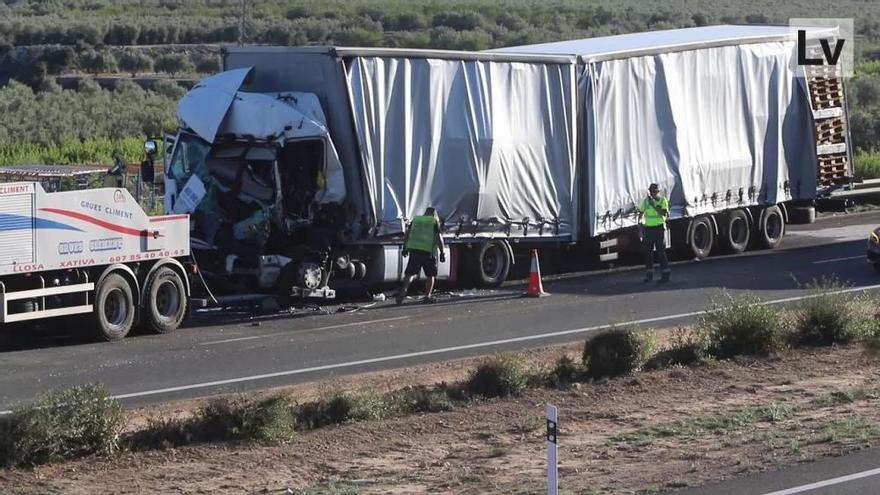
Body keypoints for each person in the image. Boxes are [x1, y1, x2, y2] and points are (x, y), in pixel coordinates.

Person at [396, 207, 446, 304]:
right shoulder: (434, 221)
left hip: (414, 251)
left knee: (410, 273)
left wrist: (405, 247)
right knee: (430, 275)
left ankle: (403, 291)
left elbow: (407, 234)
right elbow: (439, 238)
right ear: (434, 214)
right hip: (428, 252)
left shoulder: (416, 220)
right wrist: (442, 252)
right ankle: (427, 296)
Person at [638, 183, 670, 283]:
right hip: (648, 229)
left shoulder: (662, 200)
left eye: (655, 192)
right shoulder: (645, 202)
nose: (653, 194)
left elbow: (664, 213)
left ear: (658, 192)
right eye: (651, 192)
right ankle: (649, 275)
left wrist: (654, 205)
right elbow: (641, 214)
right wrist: (640, 228)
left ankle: (665, 275)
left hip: (659, 228)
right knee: (648, 253)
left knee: (661, 252)